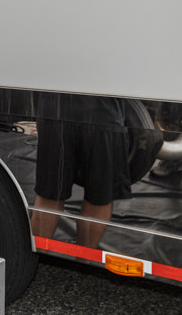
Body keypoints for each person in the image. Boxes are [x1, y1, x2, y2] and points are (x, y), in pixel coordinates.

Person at [31, 93, 131, 248]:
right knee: (97, 197)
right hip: (100, 111)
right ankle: (82, 258)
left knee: (51, 195)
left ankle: (39, 255)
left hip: (59, 109)